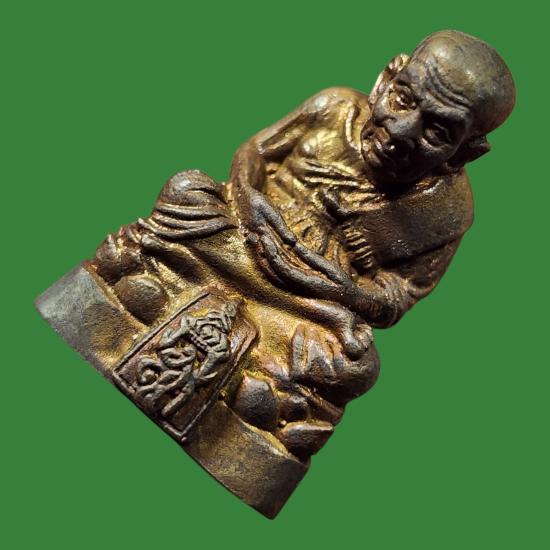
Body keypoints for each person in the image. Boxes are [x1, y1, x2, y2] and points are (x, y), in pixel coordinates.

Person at [91, 30, 515, 459]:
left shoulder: (446, 211)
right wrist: (249, 199)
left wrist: (347, 291)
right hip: (245, 239)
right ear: (386, 79)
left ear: (465, 153)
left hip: (311, 296)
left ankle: (161, 292)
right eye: (403, 99)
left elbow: (396, 298)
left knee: (359, 365)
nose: (402, 131)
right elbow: (256, 152)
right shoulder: (334, 108)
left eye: (437, 132)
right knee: (187, 188)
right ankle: (261, 387)